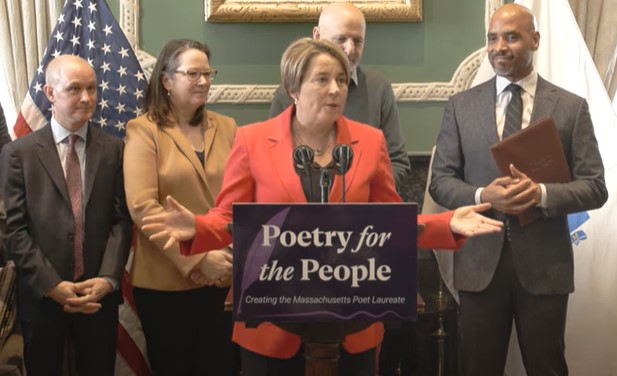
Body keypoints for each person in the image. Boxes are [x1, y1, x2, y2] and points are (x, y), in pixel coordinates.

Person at [141, 38, 503, 376]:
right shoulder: (252, 140)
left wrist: (447, 223)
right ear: (293, 88)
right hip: (271, 323)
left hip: (354, 320)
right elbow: (230, 217)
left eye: (342, 80)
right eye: (323, 80)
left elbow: (388, 222)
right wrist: (197, 228)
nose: (335, 89)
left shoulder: (370, 141)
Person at [429, 3, 608, 376]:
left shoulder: (570, 108)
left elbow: (595, 188)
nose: (499, 47)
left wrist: (541, 194)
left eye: (511, 36)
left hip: (545, 266)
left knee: (547, 367)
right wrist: (483, 196)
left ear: (535, 40)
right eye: (493, 38)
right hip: (479, 267)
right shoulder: (461, 107)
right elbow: (441, 181)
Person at [1, 55, 133, 376]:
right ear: (50, 93)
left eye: (91, 88)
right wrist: (51, 285)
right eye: (74, 89)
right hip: (42, 297)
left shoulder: (115, 150)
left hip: (97, 296)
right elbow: (14, 230)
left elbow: (121, 221)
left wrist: (107, 278)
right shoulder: (20, 154)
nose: (86, 98)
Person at [124, 39, 238, 375]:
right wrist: (200, 258)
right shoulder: (143, 130)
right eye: (193, 73)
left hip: (224, 277)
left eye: (207, 73)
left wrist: (226, 258)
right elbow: (143, 207)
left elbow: (240, 197)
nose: (203, 81)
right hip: (165, 284)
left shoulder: (228, 126)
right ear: (166, 81)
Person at [269, 2, 412, 200]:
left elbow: (396, 161)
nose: (350, 49)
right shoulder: (288, 94)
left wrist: (365, 189)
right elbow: (274, 162)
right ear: (317, 36)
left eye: (358, 41)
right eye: (340, 39)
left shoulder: (379, 89)